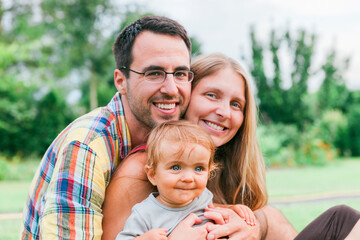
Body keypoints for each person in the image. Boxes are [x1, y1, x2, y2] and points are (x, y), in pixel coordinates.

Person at [102, 53, 360, 240]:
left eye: (236, 104)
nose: (224, 112)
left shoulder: (219, 171)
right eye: (211, 95)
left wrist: (250, 220)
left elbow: (214, 209)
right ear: (187, 97)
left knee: (343, 217)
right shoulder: (142, 171)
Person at [21, 15, 194, 239]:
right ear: (121, 81)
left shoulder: (182, 136)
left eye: (180, 73)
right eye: (154, 73)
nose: (171, 89)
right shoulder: (87, 147)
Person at [116, 120, 256, 239]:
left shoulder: (203, 196)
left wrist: (232, 209)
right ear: (153, 175)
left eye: (199, 168)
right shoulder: (145, 214)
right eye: (176, 167)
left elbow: (212, 208)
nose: (189, 178)